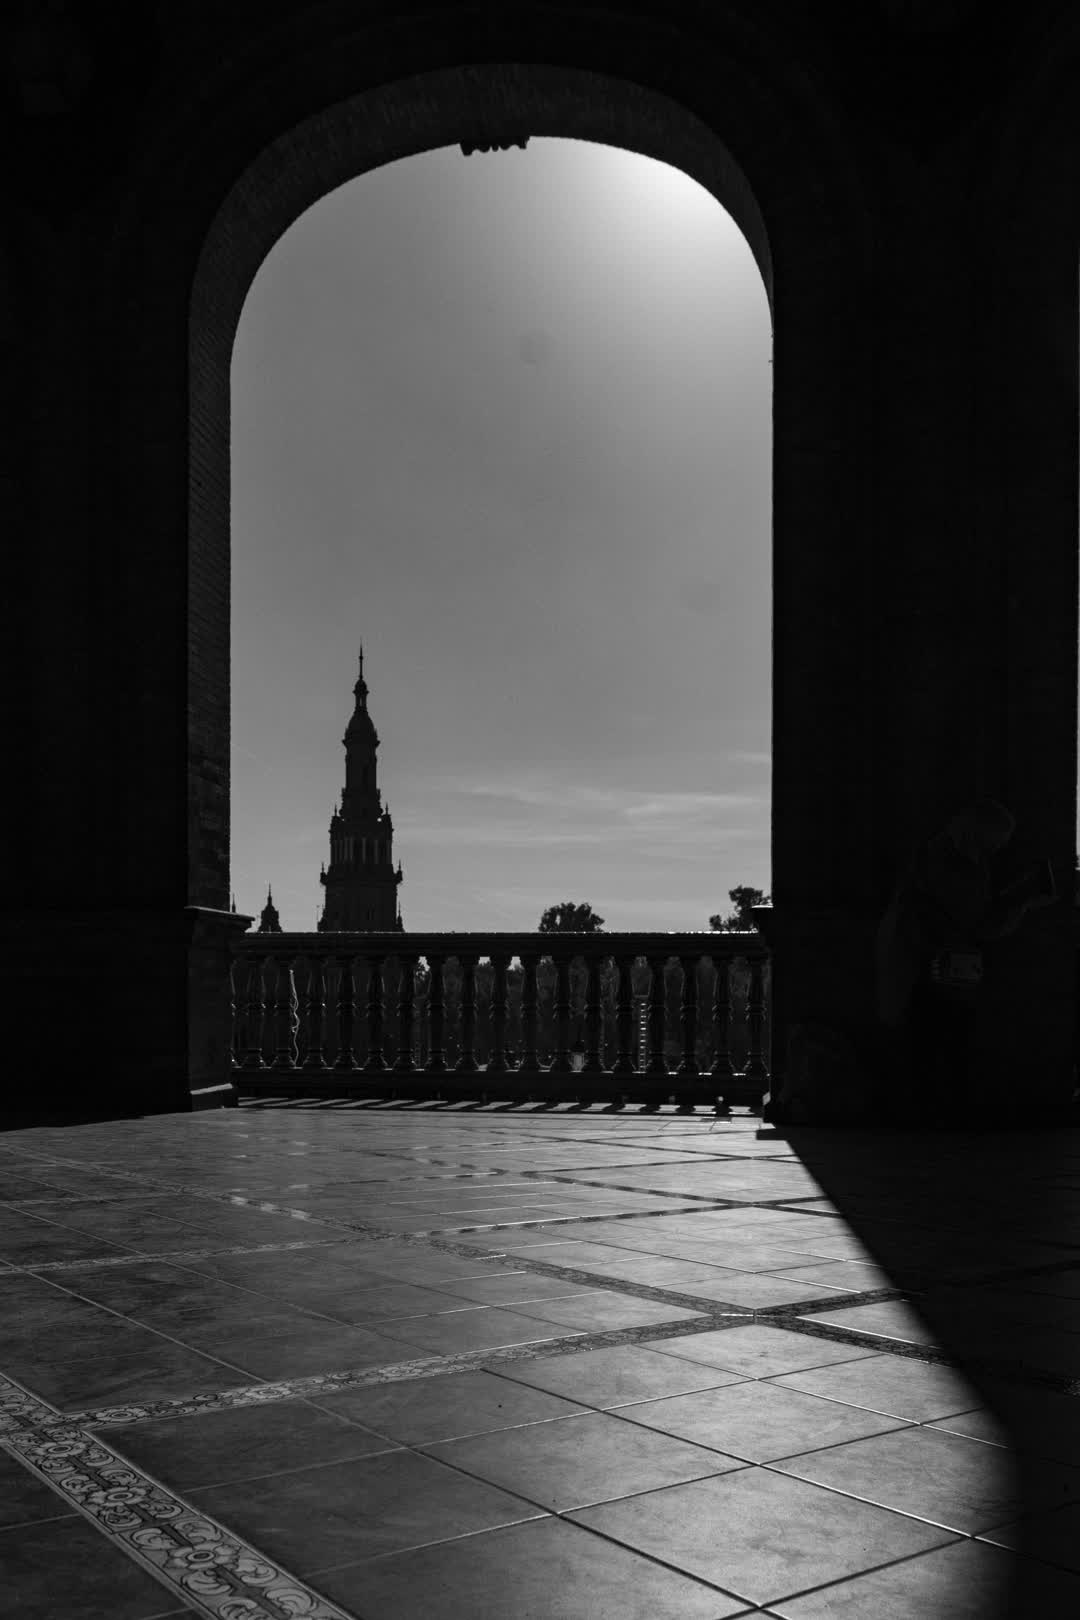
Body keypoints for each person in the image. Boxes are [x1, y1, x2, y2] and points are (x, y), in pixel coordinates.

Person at [876, 799, 1055, 1118]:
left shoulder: (944, 853)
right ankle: (939, 1111)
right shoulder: (957, 864)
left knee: (931, 1037)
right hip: (933, 967)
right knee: (942, 1038)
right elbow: (979, 922)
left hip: (919, 963)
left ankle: (929, 1109)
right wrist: (1023, 901)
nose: (997, 849)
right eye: (996, 841)